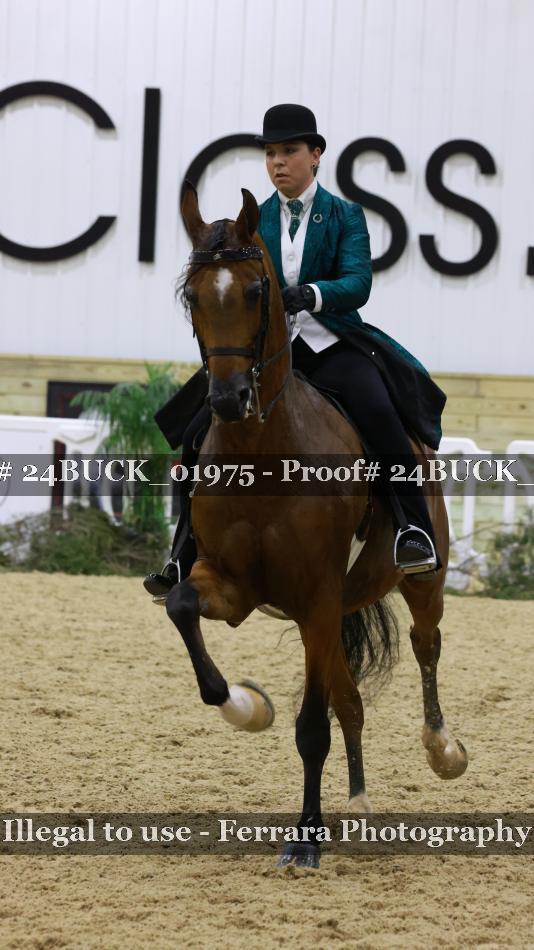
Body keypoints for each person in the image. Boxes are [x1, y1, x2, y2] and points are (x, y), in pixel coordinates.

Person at [144, 103, 446, 601]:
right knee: (196, 433)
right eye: (270, 154)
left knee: (380, 415)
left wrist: (312, 293)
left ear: (316, 155)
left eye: (289, 151)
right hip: (268, 355)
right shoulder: (251, 220)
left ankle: (414, 531)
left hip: (331, 344)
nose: (278, 162)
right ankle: (183, 551)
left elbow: (358, 282)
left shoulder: (345, 215)